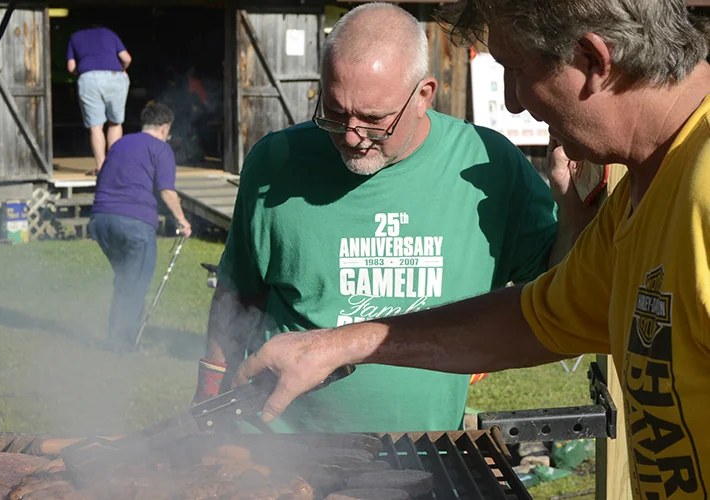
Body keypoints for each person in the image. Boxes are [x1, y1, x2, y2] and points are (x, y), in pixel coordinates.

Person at [234, 0, 710, 497]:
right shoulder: (645, 189)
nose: (513, 103)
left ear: (592, 61)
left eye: (517, 70)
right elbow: (534, 319)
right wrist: (336, 344)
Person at [193, 3, 595, 433]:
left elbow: (560, 295)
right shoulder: (275, 162)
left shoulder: (489, 164)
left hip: (425, 452)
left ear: (423, 95)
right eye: (334, 111)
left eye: (373, 119)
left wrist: (571, 210)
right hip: (283, 450)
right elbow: (236, 296)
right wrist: (208, 408)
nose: (351, 136)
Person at [88, 103, 192, 353]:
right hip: (134, 223)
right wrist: (182, 220)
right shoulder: (161, 149)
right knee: (135, 284)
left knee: (126, 280)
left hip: (101, 221)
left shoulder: (119, 144)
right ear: (164, 128)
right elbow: (166, 191)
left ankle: (118, 337)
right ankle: (121, 344)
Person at [67, 25, 132, 173]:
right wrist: (122, 69)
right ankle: (113, 166)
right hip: (114, 77)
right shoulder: (109, 33)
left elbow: (71, 67)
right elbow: (127, 58)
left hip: (88, 79)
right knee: (115, 123)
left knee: (95, 126)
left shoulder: (75, 37)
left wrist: (85, 73)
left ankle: (101, 167)